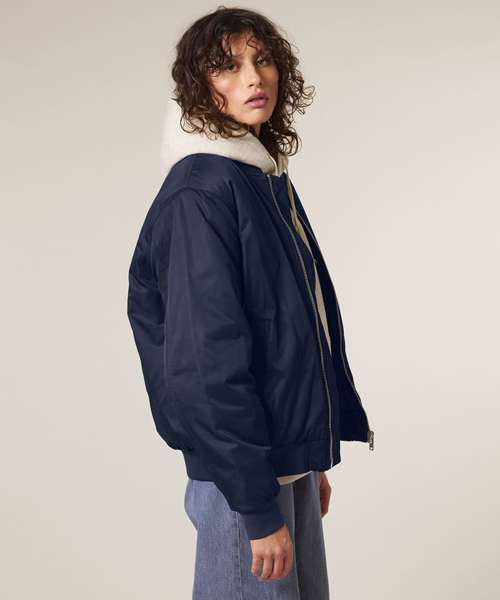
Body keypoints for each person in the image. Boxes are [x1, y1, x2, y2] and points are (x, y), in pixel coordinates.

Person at [127, 7, 374, 599]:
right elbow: (203, 365)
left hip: (277, 464)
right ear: (198, 85)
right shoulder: (202, 192)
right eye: (227, 66)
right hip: (243, 479)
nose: (253, 78)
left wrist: (307, 458)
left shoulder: (259, 180)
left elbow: (291, 330)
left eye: (262, 60)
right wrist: (258, 504)